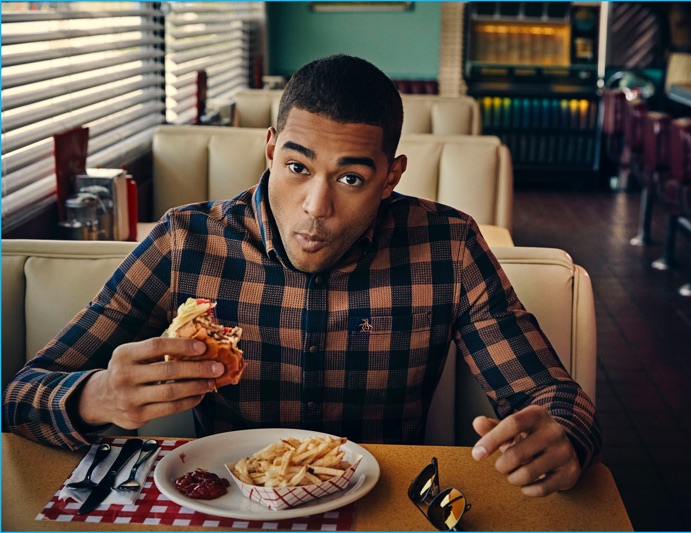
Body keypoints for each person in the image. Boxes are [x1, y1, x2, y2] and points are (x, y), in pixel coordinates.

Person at [3, 54, 601, 497]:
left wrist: (560, 437)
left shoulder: (447, 246)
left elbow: (551, 396)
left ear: (391, 177)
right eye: (296, 166)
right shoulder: (188, 242)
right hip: (227, 508)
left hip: (383, 507)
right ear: (269, 149)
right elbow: (21, 395)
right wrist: (97, 397)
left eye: (350, 178)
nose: (316, 206)